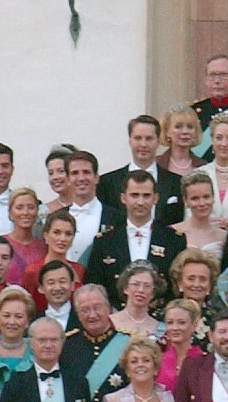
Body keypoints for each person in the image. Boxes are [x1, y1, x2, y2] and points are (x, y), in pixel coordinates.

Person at [85, 168, 185, 299]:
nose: (140, 202)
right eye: (134, 195)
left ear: (156, 198)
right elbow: (95, 287)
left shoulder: (174, 239)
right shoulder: (105, 241)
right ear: (123, 198)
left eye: (146, 195)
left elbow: (178, 287)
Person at [98, 114, 183, 225]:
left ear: (158, 142)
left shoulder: (177, 182)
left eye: (149, 138)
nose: (143, 144)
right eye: (138, 138)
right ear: (130, 141)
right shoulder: (107, 182)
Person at [65, 149, 125, 270]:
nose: (81, 178)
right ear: (67, 180)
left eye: (86, 172)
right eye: (75, 173)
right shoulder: (56, 217)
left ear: (96, 178)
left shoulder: (117, 218)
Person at [20, 208, 83, 303]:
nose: (62, 239)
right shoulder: (32, 271)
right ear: (46, 236)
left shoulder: (79, 269)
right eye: (57, 233)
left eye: (68, 234)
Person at [0, 287, 36, 388]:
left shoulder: (37, 352)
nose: (12, 322)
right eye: (6, 316)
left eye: (18, 316)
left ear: (28, 322)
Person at [172, 170, 227, 258]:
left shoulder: (224, 236)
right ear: (185, 201)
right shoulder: (172, 232)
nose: (202, 203)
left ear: (213, 197)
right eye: (195, 198)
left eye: (206, 197)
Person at [157, 298, 204, 391]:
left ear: (194, 325)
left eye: (181, 323)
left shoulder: (204, 362)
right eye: (170, 322)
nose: (175, 328)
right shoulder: (157, 360)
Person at [3, 188, 46, 285]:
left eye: (31, 207)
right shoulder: (0, 244)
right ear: (10, 213)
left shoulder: (45, 247)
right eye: (19, 207)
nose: (25, 212)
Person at [111, 261, 163, 336]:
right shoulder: (110, 322)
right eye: (136, 284)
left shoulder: (160, 328)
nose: (141, 290)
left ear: (153, 293)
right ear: (125, 288)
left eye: (147, 286)